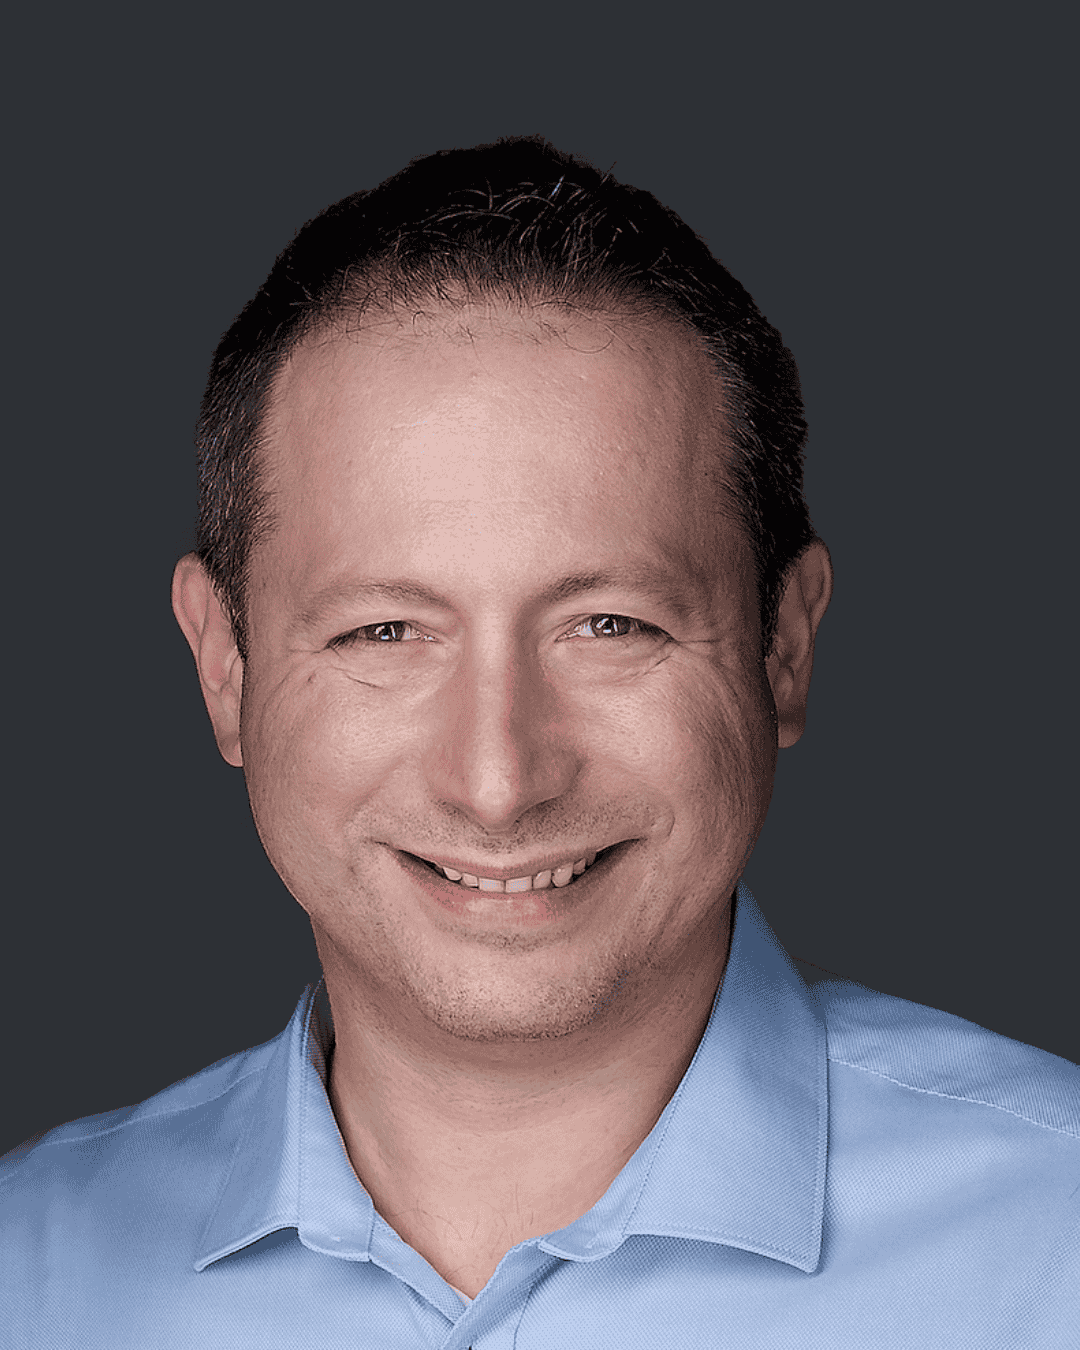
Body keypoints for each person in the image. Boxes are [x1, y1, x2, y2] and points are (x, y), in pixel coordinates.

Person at [2, 136, 1076, 1348]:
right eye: (385, 631)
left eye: (611, 624)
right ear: (224, 665)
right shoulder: (30, 1273)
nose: (500, 782)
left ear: (784, 643)